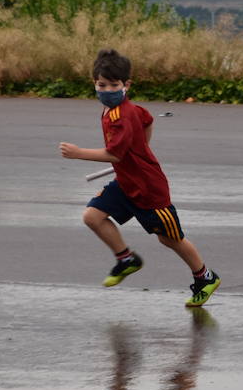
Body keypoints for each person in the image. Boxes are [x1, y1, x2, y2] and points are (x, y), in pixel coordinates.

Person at [59, 48, 221, 308]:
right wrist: (142, 148)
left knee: (170, 238)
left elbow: (114, 154)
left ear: (126, 84)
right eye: (102, 84)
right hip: (126, 183)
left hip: (148, 189)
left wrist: (79, 153)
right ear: (94, 83)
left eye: (113, 85)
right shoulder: (118, 110)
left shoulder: (121, 116)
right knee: (93, 216)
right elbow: (147, 121)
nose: (107, 89)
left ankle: (205, 276)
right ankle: (126, 259)